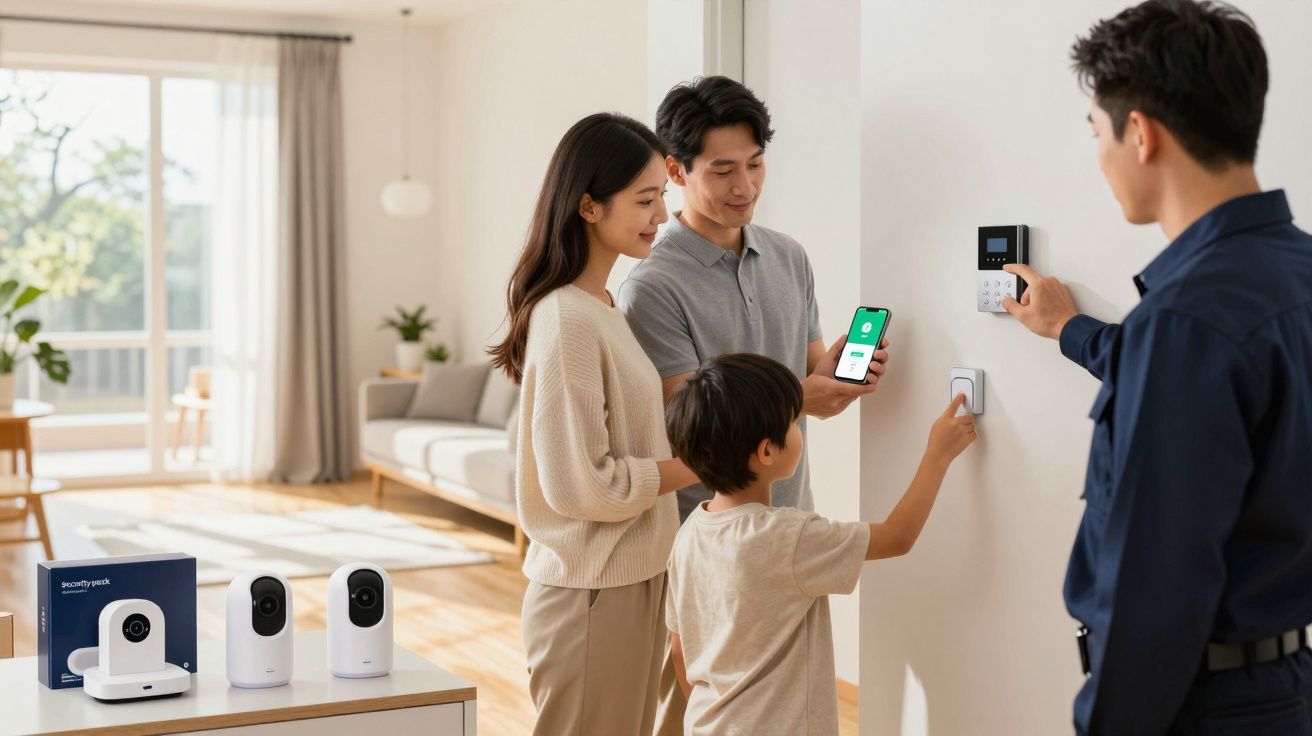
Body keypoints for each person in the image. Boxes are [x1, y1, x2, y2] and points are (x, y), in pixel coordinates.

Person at [1002, 1, 1312, 732]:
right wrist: (1071, 328)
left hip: (1195, 707)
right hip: (1285, 693)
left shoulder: (1184, 320)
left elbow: (1155, 592)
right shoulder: (1292, 275)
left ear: (1139, 133)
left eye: (1096, 133)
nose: (1100, 156)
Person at [618, 75, 888, 732]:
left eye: (756, 164)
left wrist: (836, 377)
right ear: (676, 170)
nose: (745, 187)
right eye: (723, 170)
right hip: (704, 540)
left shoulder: (788, 257)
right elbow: (692, 418)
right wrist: (803, 396)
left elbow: (807, 372)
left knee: (795, 710)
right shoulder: (652, 286)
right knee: (699, 709)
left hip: (790, 522)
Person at [488, 112, 698, 735]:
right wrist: (704, 464)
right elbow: (586, 485)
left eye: (661, 196)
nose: (660, 216)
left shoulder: (603, 307)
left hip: (626, 584)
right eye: (643, 200)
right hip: (591, 596)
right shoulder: (568, 319)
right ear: (587, 205)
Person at [661, 353, 975, 735]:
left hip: (708, 723)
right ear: (767, 451)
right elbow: (898, 536)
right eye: (793, 422)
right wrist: (937, 454)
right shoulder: (787, 537)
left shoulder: (691, 530)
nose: (799, 429)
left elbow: (680, 650)